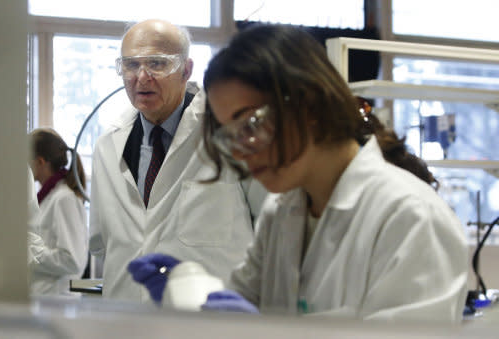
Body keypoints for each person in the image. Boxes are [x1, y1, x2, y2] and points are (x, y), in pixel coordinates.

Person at [128, 24, 468, 323]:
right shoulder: (283, 212)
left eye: (251, 124)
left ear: (309, 103)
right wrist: (189, 291)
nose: (243, 150)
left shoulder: (411, 217)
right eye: (230, 136)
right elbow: (239, 309)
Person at [89, 19, 266, 302]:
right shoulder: (107, 146)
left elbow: (272, 229)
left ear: (186, 70)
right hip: (126, 318)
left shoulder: (231, 133)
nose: (142, 77)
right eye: (131, 65)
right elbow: (100, 244)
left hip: (210, 321)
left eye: (157, 64)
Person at [28, 128, 88, 296]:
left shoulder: (63, 199)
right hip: (43, 299)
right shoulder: (47, 197)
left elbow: (72, 260)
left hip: (57, 301)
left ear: (40, 162)